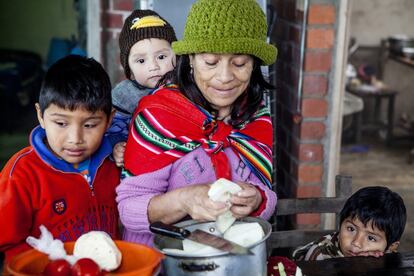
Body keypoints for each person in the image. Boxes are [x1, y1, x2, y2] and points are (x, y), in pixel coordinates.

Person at [116, 0, 278, 245]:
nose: (224, 77)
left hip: (230, 260)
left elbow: (264, 192)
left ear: (254, 64)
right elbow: (128, 210)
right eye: (210, 62)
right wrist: (183, 201)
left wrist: (257, 199)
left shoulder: (255, 116)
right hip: (162, 262)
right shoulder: (159, 115)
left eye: (240, 63)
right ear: (190, 59)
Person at [0, 55, 120, 262]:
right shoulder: (21, 174)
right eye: (61, 123)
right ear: (40, 115)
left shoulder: (116, 160)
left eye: (90, 125)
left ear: (109, 120)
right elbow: (6, 247)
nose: (75, 139)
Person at [107, 9, 177, 167]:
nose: (153, 66)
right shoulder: (125, 96)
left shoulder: (185, 86)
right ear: (129, 69)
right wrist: (116, 146)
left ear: (176, 56)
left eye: (161, 57)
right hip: (143, 161)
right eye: (141, 61)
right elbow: (112, 129)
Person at [292, 186, 407, 261]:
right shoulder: (319, 257)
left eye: (371, 238)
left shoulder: (389, 258)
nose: (356, 242)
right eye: (351, 229)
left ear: (391, 247)